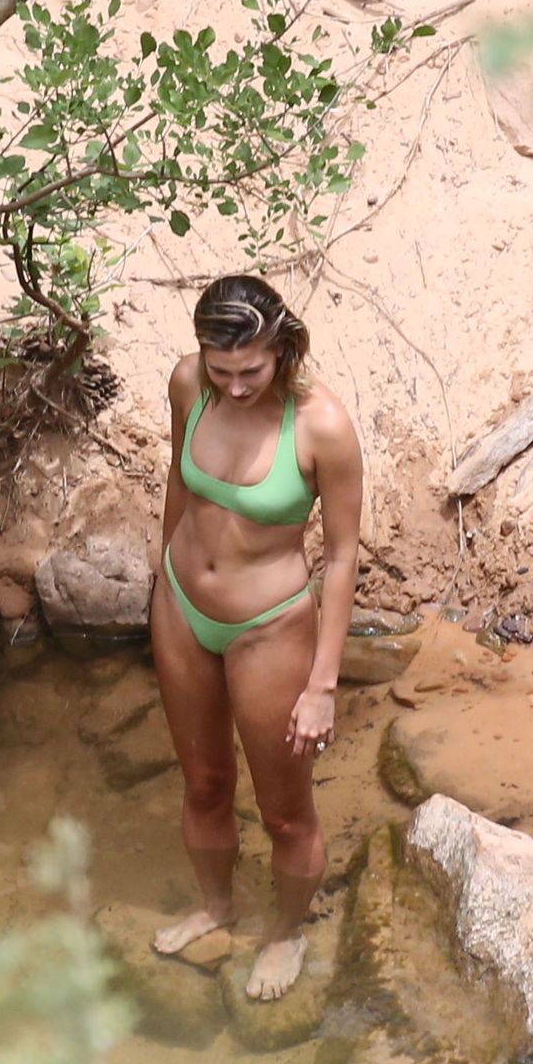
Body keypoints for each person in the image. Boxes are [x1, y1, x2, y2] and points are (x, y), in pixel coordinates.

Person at [149, 274, 363, 1000]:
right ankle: (216, 907)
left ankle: (285, 932)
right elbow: (178, 487)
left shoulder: (320, 425)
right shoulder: (187, 384)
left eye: (252, 370)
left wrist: (323, 685)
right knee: (204, 782)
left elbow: (340, 556)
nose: (235, 386)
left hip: (268, 627)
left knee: (284, 809)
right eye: (222, 369)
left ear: (282, 349)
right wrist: (159, 577)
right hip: (181, 603)